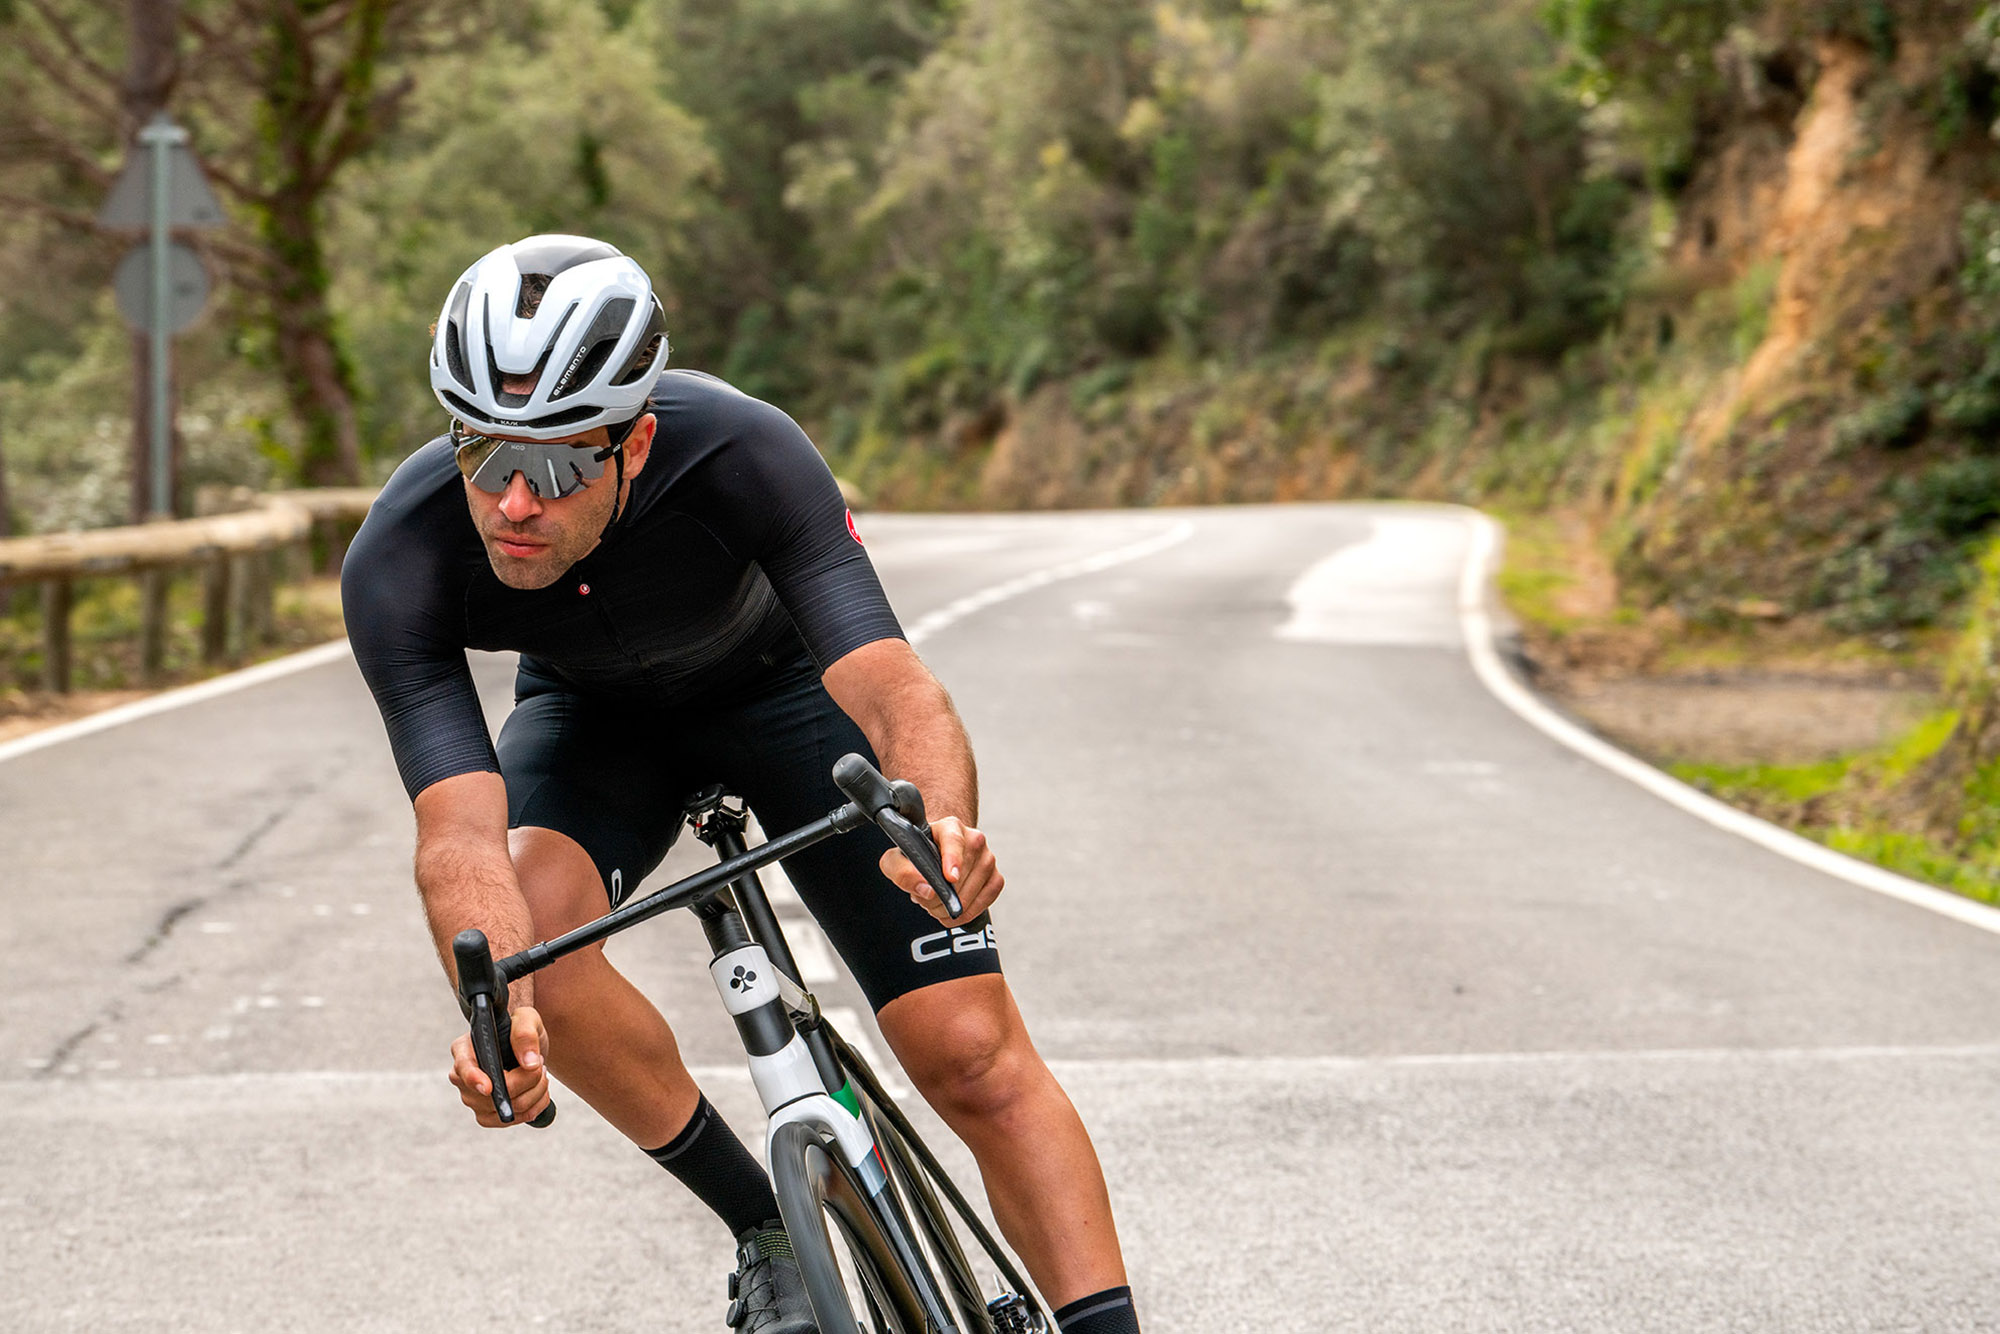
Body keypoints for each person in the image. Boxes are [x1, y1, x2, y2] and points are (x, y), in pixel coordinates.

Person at [342, 234, 1143, 1334]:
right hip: (595, 723)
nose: (516, 500)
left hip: (785, 694)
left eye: (564, 462)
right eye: (484, 451)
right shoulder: (404, 555)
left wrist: (940, 827)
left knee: (969, 1052)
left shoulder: (741, 452)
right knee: (541, 956)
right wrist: (506, 1020)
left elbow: (896, 690)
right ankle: (763, 1222)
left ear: (638, 439)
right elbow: (459, 839)